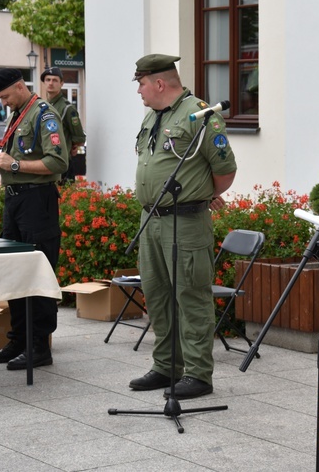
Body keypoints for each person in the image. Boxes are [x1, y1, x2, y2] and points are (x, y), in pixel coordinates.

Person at [128, 54, 237, 400]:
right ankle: (166, 366)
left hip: (186, 222)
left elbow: (225, 170)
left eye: (141, 83)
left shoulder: (201, 116)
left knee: (190, 296)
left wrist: (201, 195)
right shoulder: (153, 117)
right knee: (158, 296)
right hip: (151, 220)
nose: (139, 91)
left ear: (159, 83)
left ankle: (198, 374)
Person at [0, 68, 68, 370]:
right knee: (14, 270)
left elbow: (58, 161)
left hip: (37, 201)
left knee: (37, 270)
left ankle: (39, 346)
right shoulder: (19, 113)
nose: (3, 102)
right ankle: (18, 339)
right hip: (15, 200)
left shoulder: (44, 114)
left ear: (19, 87)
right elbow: (13, 158)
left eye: (5, 96)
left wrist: (14, 164)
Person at [40, 67, 86, 183]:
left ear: (61, 83)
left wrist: (71, 146)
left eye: (55, 80)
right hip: (45, 162)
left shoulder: (67, 108)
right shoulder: (42, 106)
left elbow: (79, 138)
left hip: (62, 163)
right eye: (48, 80)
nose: (51, 83)